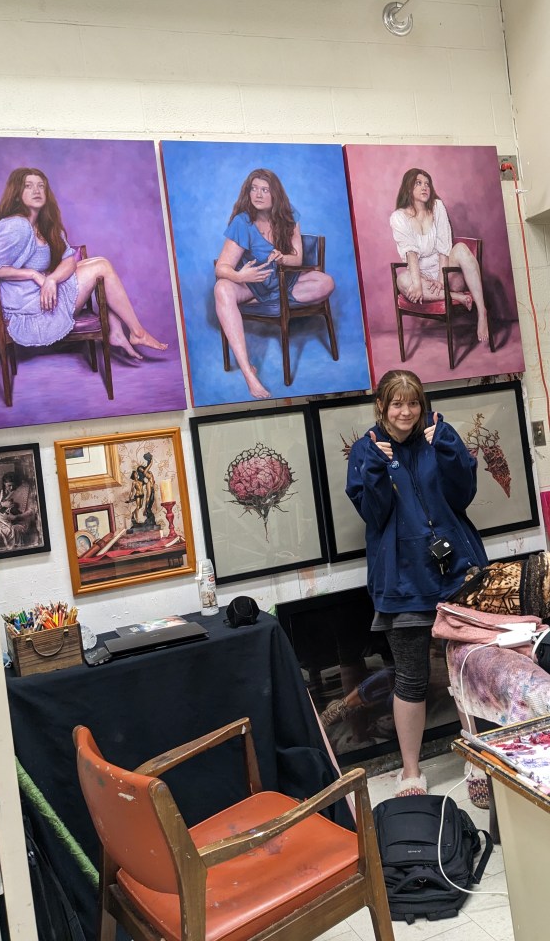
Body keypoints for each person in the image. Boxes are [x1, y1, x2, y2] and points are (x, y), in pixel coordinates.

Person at [342, 369, 487, 796]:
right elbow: (375, 514)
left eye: (413, 403)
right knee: (410, 677)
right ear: (381, 408)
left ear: (422, 404)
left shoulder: (440, 434)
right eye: (396, 404)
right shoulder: (366, 450)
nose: (406, 412)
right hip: (403, 579)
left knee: (467, 668)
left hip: (456, 570)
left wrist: (447, 450)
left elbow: (462, 496)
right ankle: (411, 772)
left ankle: (480, 758)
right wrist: (375, 471)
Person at [0, 167, 167, 360]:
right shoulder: (15, 225)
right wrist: (33, 275)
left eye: (41, 186)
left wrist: (51, 279)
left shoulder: (46, 225)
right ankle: (136, 332)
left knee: (101, 264)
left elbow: (69, 260)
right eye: (28, 186)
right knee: (101, 266)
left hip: (45, 294)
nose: (36, 190)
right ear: (17, 194)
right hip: (30, 307)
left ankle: (117, 329)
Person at [214, 168, 335, 399]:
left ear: (275, 194)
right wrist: (241, 277)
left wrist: (283, 258)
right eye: (254, 189)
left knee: (326, 282)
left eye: (264, 190)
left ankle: (276, 299)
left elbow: (297, 258)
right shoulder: (243, 222)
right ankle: (249, 374)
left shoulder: (288, 216)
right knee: (221, 288)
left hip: (285, 283)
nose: (258, 194)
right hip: (253, 285)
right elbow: (222, 267)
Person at [390, 168, 489, 344]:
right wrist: (418, 283)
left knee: (461, 248)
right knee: (402, 281)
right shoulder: (398, 217)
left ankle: (482, 312)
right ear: (408, 187)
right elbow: (411, 253)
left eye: (427, 184)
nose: (424, 187)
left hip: (445, 273)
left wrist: (441, 280)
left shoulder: (437, 207)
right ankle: (455, 296)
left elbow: (444, 247)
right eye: (418, 183)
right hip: (420, 275)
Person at [0, 471, 38, 550]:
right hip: (2, 522)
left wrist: (16, 517)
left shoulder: (23, 492)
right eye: (9, 485)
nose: (11, 488)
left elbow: (31, 510)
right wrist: (2, 505)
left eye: (14, 486)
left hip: (19, 523)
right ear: (4, 483)